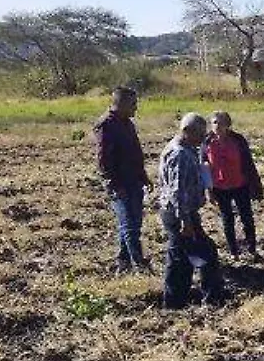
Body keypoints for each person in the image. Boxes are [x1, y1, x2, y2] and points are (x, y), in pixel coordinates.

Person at [157, 113, 224, 309]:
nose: (203, 138)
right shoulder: (180, 154)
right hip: (179, 214)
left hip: (179, 212)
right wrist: (185, 220)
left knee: (181, 259)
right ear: (186, 131)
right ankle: (212, 300)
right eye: (200, 134)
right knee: (205, 254)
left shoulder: (184, 149)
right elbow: (177, 191)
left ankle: (175, 302)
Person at [93, 86, 152, 273]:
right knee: (130, 225)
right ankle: (139, 264)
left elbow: (135, 153)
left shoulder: (127, 123)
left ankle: (123, 261)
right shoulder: (106, 125)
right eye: (133, 104)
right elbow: (103, 161)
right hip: (120, 183)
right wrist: (114, 184)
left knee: (132, 223)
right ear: (122, 103)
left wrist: (143, 176)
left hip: (134, 180)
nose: (136, 108)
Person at [201, 111, 264, 260]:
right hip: (220, 187)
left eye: (221, 122)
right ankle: (234, 252)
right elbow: (204, 166)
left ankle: (252, 248)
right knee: (227, 219)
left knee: (247, 217)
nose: (217, 126)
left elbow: (248, 163)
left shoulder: (238, 140)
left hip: (239, 184)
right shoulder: (207, 141)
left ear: (228, 125)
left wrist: (255, 185)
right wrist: (208, 189)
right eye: (214, 122)